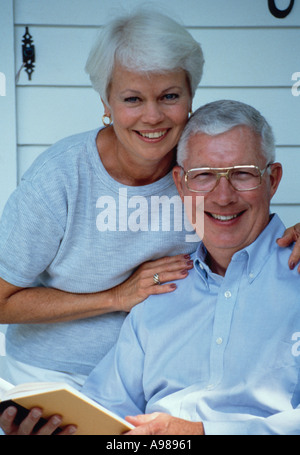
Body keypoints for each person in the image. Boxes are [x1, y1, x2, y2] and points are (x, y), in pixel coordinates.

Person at [0, 10, 299, 394]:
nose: (153, 116)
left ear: (191, 96)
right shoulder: (60, 178)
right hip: (57, 378)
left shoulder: (198, 166)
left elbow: (242, 206)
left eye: (169, 96)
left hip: (166, 379)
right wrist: (116, 297)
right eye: (132, 99)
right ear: (106, 102)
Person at [2, 99, 300, 436]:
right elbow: (108, 415)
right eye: (203, 176)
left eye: (242, 174)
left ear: (272, 180)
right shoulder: (162, 290)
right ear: (180, 183)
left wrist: (200, 433)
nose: (223, 196)